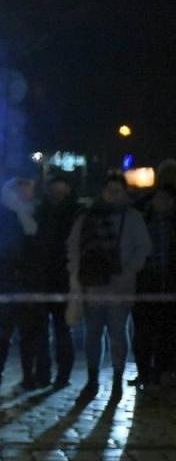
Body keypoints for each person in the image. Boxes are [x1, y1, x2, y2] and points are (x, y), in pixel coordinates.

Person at [69, 172, 151, 401]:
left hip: (120, 286)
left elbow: (143, 247)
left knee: (117, 333)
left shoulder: (132, 217)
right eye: (109, 190)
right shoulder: (87, 217)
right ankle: (92, 379)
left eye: (118, 191)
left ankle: (116, 381)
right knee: (93, 333)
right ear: (103, 192)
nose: (113, 195)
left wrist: (128, 270)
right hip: (93, 284)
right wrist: (77, 274)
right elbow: (74, 247)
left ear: (124, 193)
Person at [0, 176, 43, 394]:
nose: (24, 194)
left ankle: (28, 376)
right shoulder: (4, 217)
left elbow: (38, 244)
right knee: (5, 331)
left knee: (27, 333)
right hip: (8, 281)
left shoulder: (35, 213)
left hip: (29, 280)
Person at [34, 173, 79, 388]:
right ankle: (45, 374)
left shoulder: (73, 213)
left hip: (62, 277)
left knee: (61, 329)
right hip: (44, 276)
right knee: (44, 330)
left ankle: (61, 375)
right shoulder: (42, 211)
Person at [133, 184, 174, 390]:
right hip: (145, 282)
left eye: (167, 199)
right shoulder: (143, 219)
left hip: (168, 283)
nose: (162, 203)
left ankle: (160, 372)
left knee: (165, 331)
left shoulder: (170, 222)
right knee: (143, 331)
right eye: (159, 198)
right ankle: (145, 372)